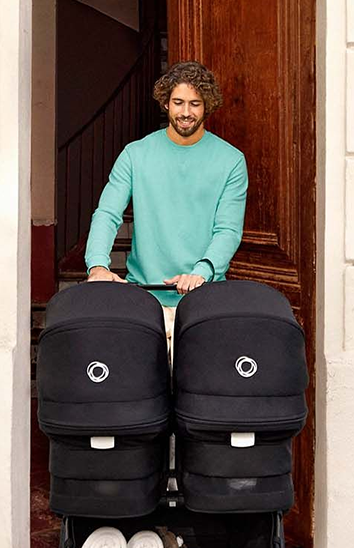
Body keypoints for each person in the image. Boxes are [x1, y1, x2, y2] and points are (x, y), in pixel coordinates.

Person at [84, 60, 248, 348]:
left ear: (207, 105)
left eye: (195, 103)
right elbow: (108, 214)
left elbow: (228, 230)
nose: (186, 112)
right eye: (178, 102)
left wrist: (202, 272)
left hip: (204, 299)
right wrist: (97, 265)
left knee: (200, 389)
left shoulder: (231, 160)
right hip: (144, 298)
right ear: (166, 103)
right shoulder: (135, 154)